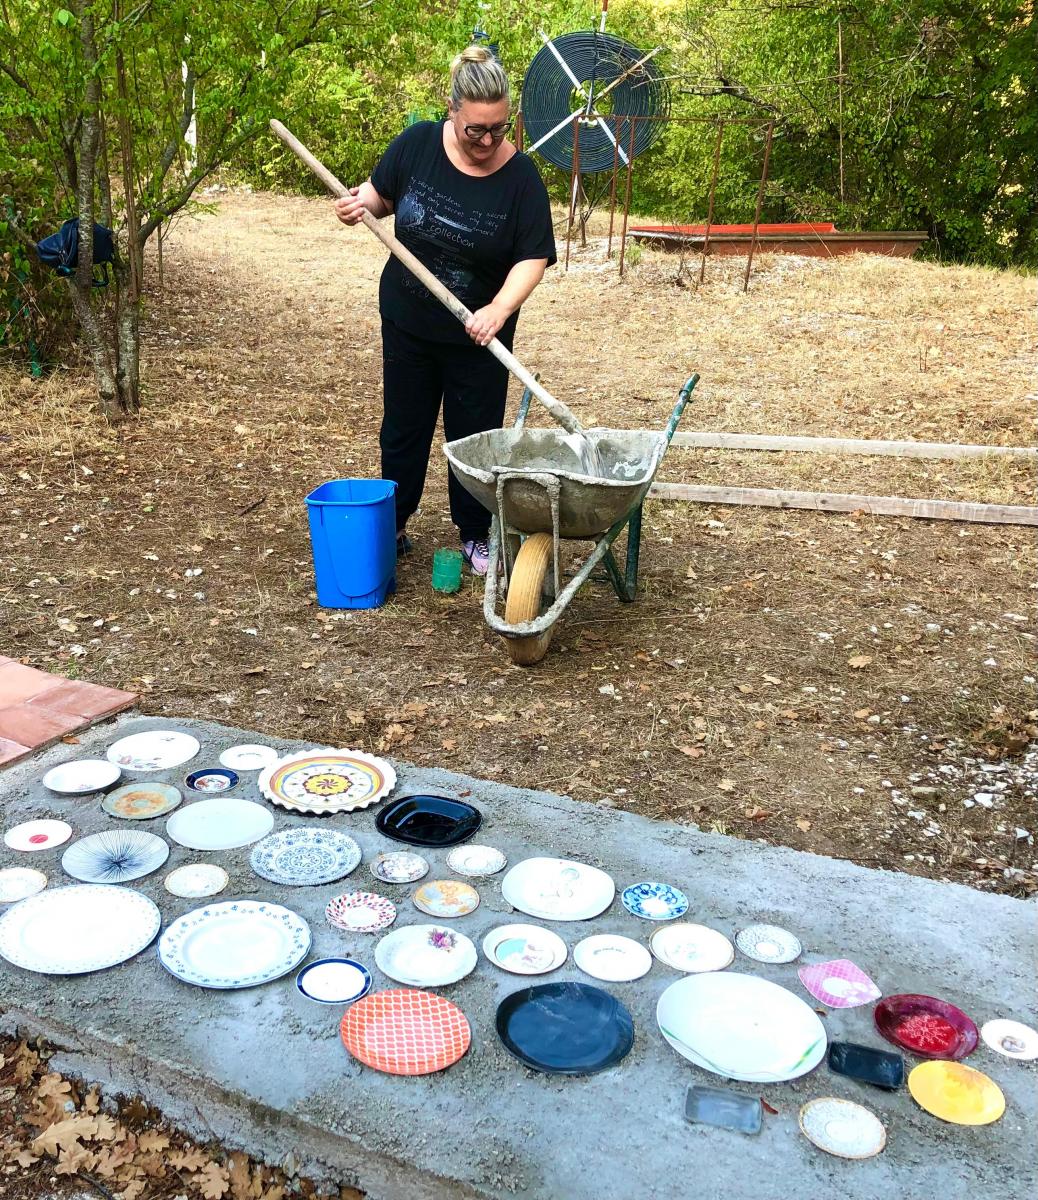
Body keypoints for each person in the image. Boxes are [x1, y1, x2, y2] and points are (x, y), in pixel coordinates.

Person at [334, 45, 556, 576]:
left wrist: (498, 310)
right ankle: (394, 525)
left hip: (479, 336)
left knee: (473, 437)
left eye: (498, 129)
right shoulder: (416, 146)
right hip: (408, 323)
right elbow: (382, 196)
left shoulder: (521, 179)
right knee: (404, 428)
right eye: (474, 129)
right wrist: (357, 204)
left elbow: (533, 258)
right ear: (451, 109)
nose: (485, 140)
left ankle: (476, 535)